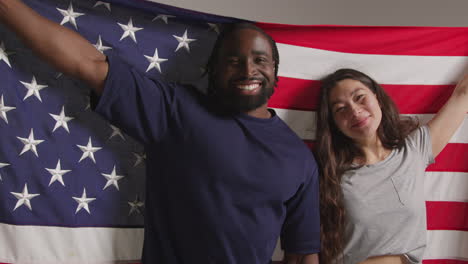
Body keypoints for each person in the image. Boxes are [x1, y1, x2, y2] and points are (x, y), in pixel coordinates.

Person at [0, 1, 320, 263]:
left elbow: (303, 253)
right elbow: (88, 63)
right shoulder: (177, 111)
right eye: (233, 61)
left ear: (275, 72)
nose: (248, 69)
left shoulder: (298, 158)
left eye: (260, 60)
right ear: (212, 72)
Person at [315, 68, 468, 264]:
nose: (354, 110)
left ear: (377, 98)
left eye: (360, 97)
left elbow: (463, 94)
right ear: (334, 123)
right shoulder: (328, 174)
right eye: (340, 109)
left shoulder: (414, 150)